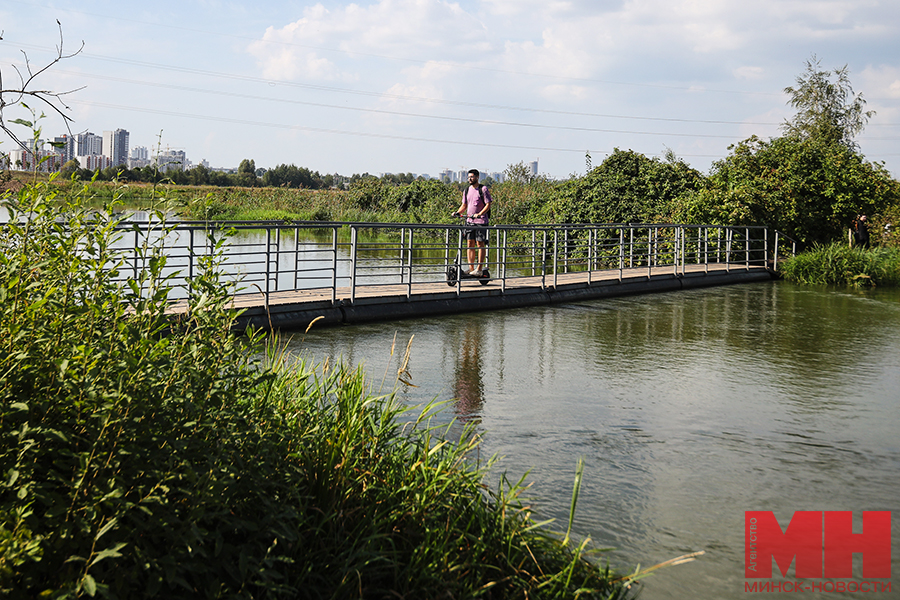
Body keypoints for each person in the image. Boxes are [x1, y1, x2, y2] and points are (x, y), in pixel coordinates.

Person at [453, 169, 493, 275]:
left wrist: (479, 214)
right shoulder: (466, 190)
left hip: (481, 222)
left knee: (480, 244)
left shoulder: (483, 189)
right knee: (470, 244)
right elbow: (464, 205)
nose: (470, 179)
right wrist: (457, 212)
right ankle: (471, 269)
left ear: (477, 177)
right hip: (469, 221)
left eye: (472, 177)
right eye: (469, 177)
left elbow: (488, 204)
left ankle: (479, 269)